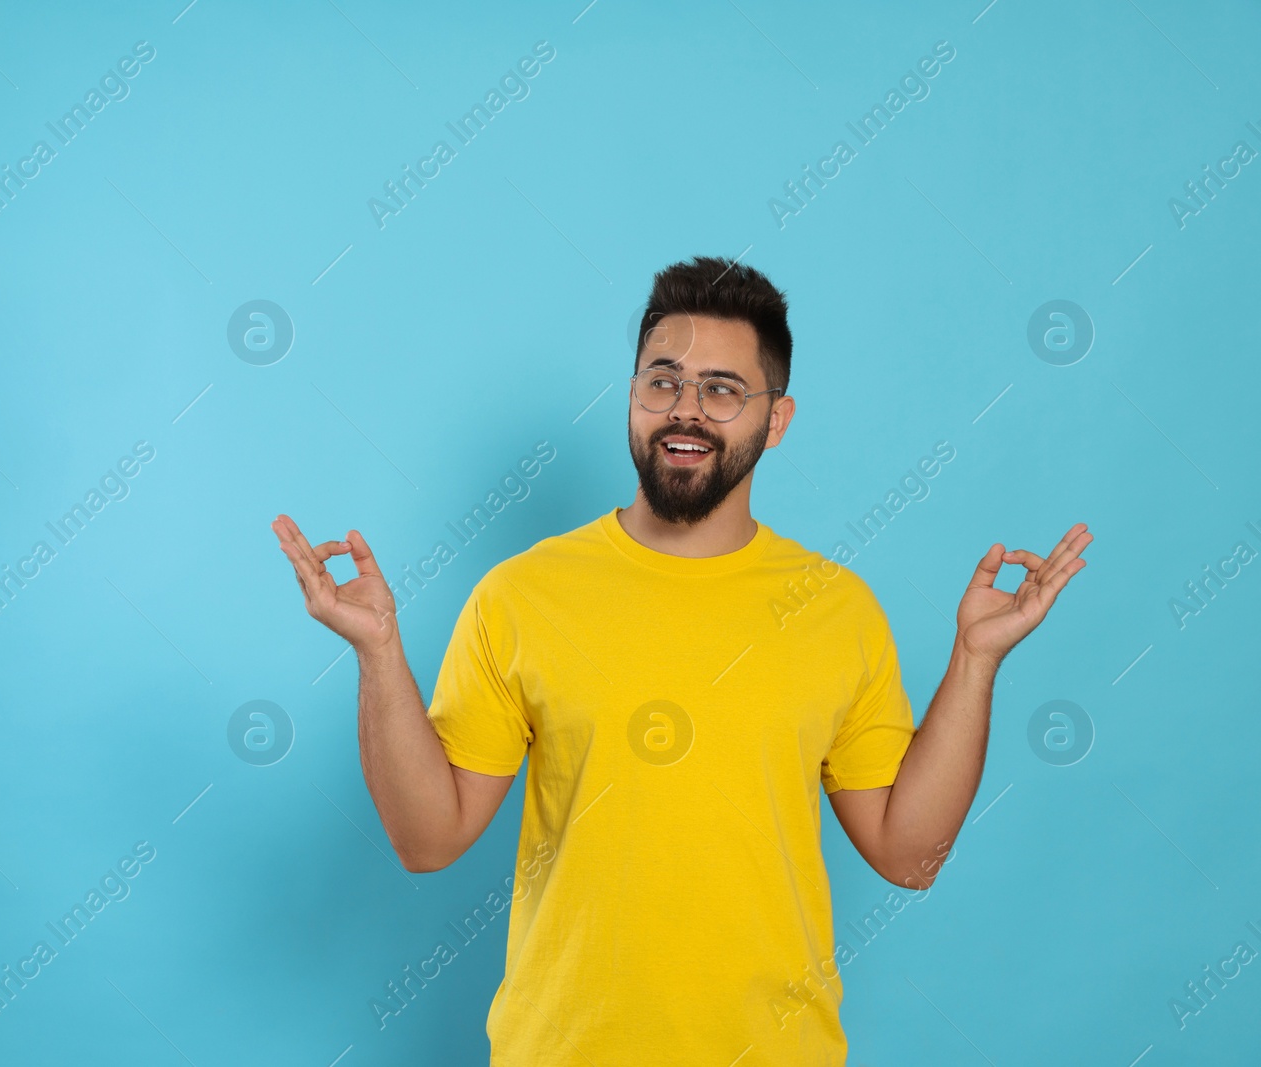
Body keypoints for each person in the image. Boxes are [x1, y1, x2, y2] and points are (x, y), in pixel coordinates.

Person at [271, 255, 1090, 1065]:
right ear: (632, 397)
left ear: (777, 419)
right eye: (662, 381)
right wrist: (378, 654)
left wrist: (976, 660)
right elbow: (427, 838)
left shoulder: (836, 609)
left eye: (723, 390)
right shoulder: (521, 596)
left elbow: (911, 856)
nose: (685, 411)